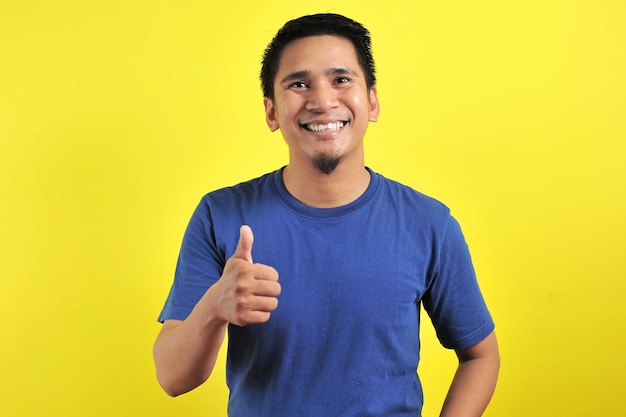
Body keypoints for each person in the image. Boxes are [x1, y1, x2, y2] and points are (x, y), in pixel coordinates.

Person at [153, 13, 499, 417]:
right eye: (298, 84)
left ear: (371, 101)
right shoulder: (221, 214)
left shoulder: (429, 224)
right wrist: (214, 306)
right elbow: (173, 378)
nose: (321, 101)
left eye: (341, 80)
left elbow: (480, 356)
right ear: (271, 112)